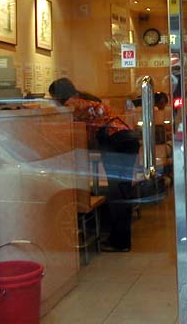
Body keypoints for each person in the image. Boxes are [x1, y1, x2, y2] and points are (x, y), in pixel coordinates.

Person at [49, 77, 139, 252]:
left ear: (58, 94)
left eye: (53, 97)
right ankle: (119, 239)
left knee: (118, 193)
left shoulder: (71, 104)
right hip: (126, 140)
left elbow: (66, 126)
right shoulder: (85, 99)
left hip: (116, 142)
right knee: (122, 191)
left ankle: (120, 242)